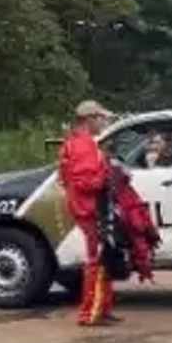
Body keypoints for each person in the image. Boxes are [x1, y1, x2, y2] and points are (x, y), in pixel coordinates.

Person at [59, 99, 117, 327]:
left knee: (103, 258)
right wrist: (107, 174)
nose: (104, 122)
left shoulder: (74, 143)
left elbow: (65, 179)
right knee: (95, 260)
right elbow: (86, 182)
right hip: (90, 210)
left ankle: (102, 307)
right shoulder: (84, 146)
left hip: (85, 208)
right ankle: (90, 312)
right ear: (90, 119)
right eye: (102, 118)